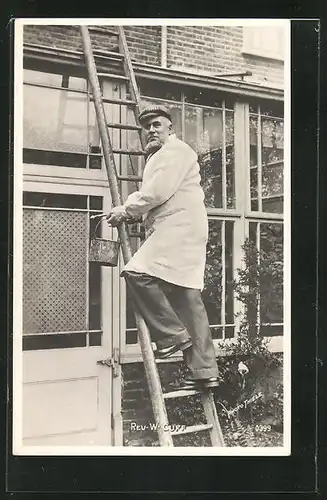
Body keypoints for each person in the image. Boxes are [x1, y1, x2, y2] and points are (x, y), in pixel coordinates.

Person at [106, 105, 219, 390]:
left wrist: (126, 210)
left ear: (171, 128)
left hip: (179, 227)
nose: (151, 130)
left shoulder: (174, 152)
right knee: (186, 296)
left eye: (157, 125)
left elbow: (157, 193)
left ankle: (172, 337)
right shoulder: (165, 154)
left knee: (136, 273)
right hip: (184, 227)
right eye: (147, 127)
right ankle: (204, 371)